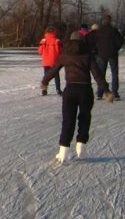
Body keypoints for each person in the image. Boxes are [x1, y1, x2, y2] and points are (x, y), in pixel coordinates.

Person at [42, 31, 112, 164]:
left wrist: (44, 82)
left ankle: (63, 152)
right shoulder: (88, 55)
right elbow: (97, 75)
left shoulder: (65, 55)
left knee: (68, 120)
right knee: (85, 118)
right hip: (85, 90)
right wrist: (106, 90)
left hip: (70, 90)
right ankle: (81, 145)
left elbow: (53, 70)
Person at [86, 14, 124, 100]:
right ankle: (115, 93)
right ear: (110, 21)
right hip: (112, 54)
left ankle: (100, 92)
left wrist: (96, 50)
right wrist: (115, 48)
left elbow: (93, 42)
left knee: (101, 74)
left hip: (101, 54)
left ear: (103, 21)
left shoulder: (98, 31)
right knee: (114, 73)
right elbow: (120, 41)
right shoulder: (114, 31)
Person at [37, 26, 62, 95]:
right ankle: (58, 89)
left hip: (46, 61)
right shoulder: (57, 40)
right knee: (56, 75)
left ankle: (44, 90)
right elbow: (59, 51)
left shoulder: (43, 40)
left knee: (46, 76)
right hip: (54, 61)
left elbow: (40, 51)